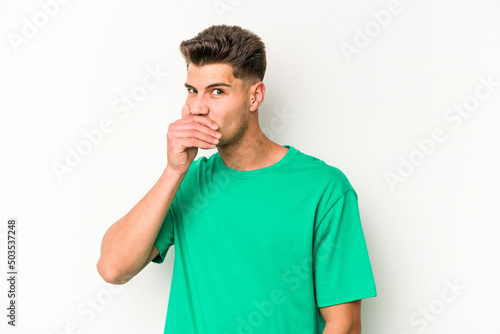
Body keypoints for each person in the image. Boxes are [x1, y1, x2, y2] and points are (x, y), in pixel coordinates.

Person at [97, 24, 377, 334]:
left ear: (255, 96)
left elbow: (345, 324)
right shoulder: (188, 182)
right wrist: (174, 171)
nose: (198, 108)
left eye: (217, 91)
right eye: (192, 90)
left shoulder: (324, 189)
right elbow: (113, 268)